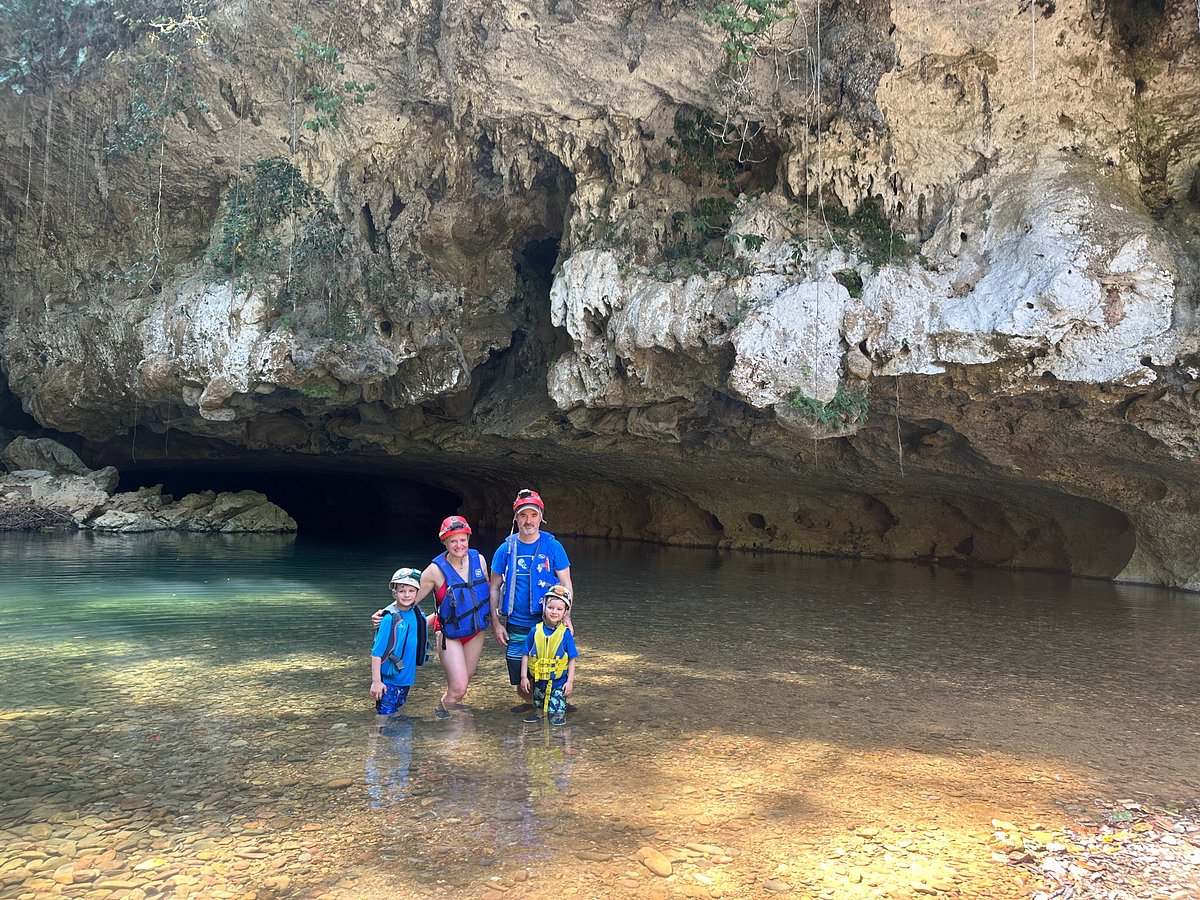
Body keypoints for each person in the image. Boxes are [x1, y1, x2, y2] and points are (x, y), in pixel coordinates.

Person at [375, 516, 492, 719]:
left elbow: (488, 594)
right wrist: (386, 614)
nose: (459, 545)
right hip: (449, 634)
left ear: (468, 539)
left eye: (462, 539)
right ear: (444, 542)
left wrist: (498, 624)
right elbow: (407, 600)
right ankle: (448, 724)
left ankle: (449, 713)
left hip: (475, 631)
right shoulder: (434, 571)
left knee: (465, 681)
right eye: (453, 540)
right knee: (459, 687)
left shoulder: (479, 560)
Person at [490, 488, 574, 712]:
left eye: (533, 515)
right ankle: (535, 707)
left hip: (547, 620)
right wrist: (496, 623)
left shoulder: (553, 547)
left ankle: (550, 704)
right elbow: (494, 587)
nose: (529, 521)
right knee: (521, 675)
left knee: (552, 667)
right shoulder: (505, 549)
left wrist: (567, 616)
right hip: (516, 621)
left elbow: (566, 584)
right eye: (523, 515)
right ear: (516, 517)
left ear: (541, 517)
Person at [370, 567, 428, 726]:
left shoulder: (416, 613)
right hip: (389, 681)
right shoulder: (389, 618)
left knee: (397, 710)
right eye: (402, 591)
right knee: (383, 715)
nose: (407, 595)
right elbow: (376, 653)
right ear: (394, 593)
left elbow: (420, 627)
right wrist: (376, 681)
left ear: (417, 592)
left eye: (411, 590)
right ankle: (374, 745)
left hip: (406, 679)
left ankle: (393, 737)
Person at [520, 585, 578, 726]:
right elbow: (525, 654)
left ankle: (559, 726)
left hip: (558, 683)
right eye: (550, 607)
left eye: (559, 609)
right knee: (538, 705)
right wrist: (523, 677)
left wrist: (569, 681)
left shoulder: (565, 634)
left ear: (565, 613)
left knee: (556, 710)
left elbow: (572, 659)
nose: (554, 612)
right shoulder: (535, 631)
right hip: (539, 681)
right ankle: (538, 716)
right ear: (544, 608)